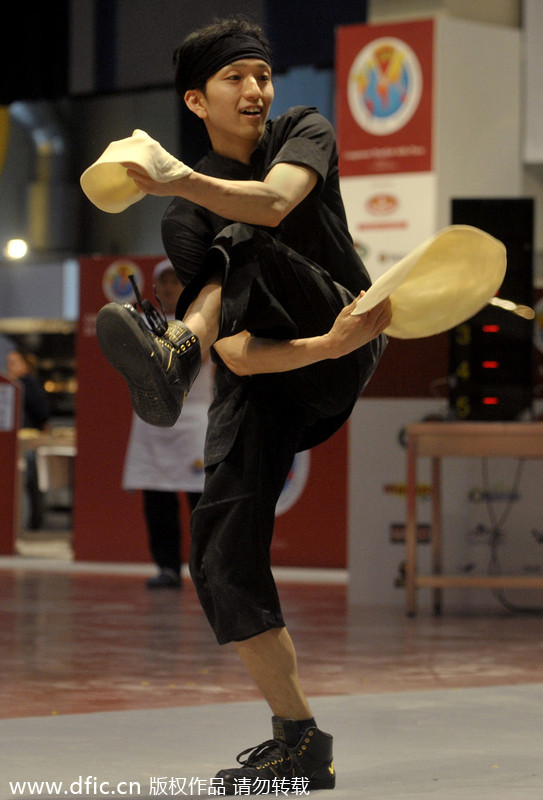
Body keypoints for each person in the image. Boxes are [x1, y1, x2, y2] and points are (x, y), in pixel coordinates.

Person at [95, 17, 391, 794]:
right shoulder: (181, 215)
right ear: (197, 100)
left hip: (342, 322)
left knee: (248, 237)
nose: (257, 89)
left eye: (262, 74)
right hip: (268, 364)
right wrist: (298, 353)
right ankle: (299, 742)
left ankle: (172, 353)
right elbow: (237, 349)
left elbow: (272, 203)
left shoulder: (303, 129)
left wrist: (335, 344)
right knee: (220, 556)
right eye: (236, 79)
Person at [122, 259, 213, 590]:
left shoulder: (202, 320)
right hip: (152, 422)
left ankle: (207, 571)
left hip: (193, 422)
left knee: (201, 505)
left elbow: (193, 361)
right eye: (165, 280)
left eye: (177, 279)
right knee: (157, 502)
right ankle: (167, 568)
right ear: (155, 287)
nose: (171, 286)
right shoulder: (137, 323)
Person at [6, 349, 50, 529]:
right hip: (15, 443)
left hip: (28, 443)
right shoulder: (10, 385)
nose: (10, 366)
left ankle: (25, 526)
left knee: (26, 485)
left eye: (15, 362)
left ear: (26, 365)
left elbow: (42, 413)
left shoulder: (28, 385)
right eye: (9, 362)